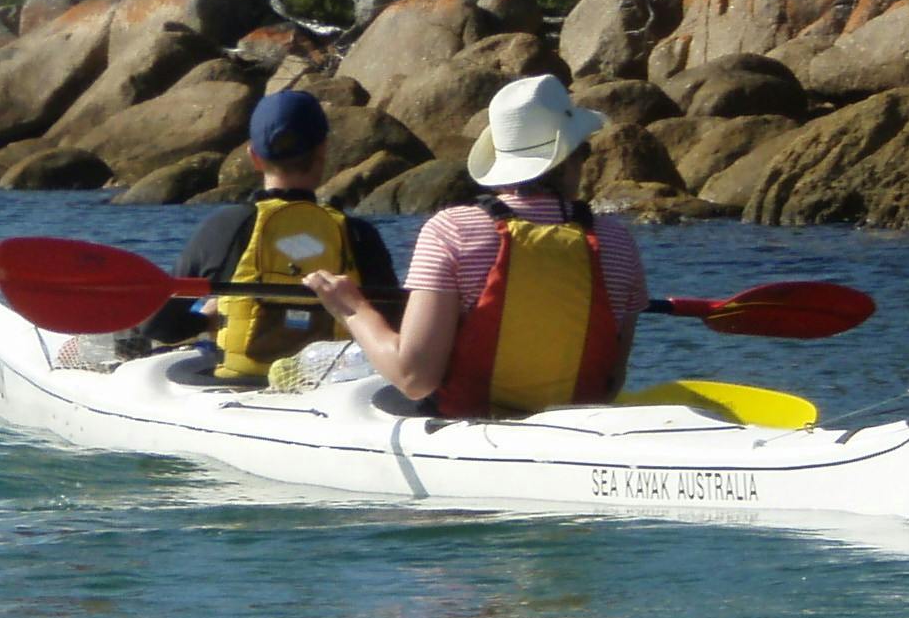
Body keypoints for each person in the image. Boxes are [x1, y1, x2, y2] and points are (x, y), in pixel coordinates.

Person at [305, 74, 645, 416]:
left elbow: (414, 378)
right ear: (571, 158)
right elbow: (612, 380)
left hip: (471, 431)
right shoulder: (618, 242)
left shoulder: (451, 230)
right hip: (578, 431)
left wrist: (351, 308)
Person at [144, 88, 399, 378]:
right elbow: (392, 324)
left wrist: (205, 321)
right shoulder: (358, 234)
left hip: (241, 384)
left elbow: (157, 325)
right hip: (331, 388)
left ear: (254, 157)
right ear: (323, 150)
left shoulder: (225, 227)